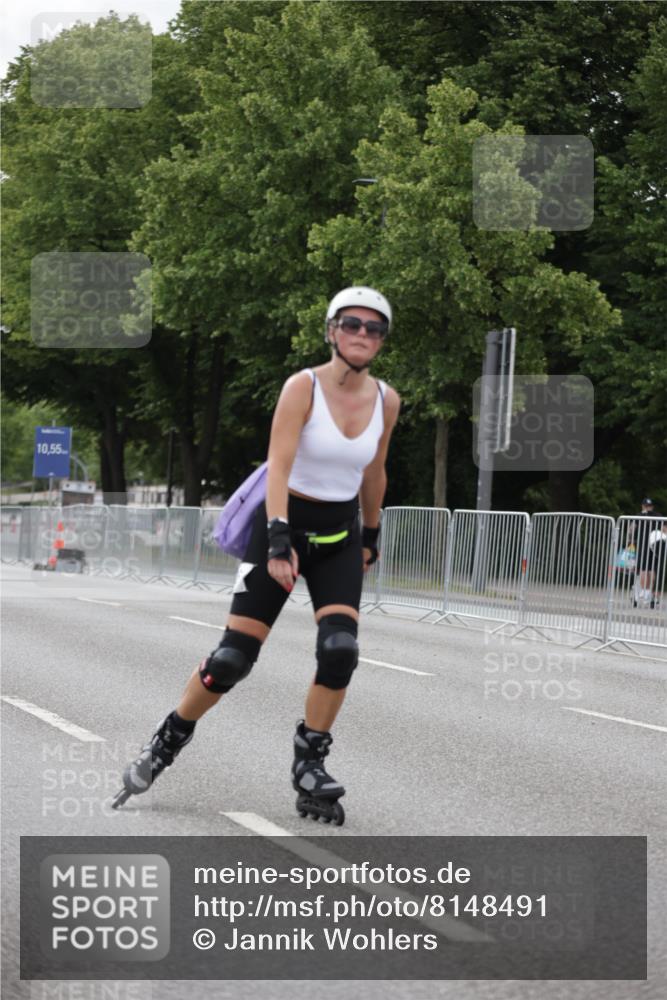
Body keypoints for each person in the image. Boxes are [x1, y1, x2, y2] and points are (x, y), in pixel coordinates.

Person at [114, 286, 401, 824]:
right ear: (332, 330)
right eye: (352, 324)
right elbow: (280, 465)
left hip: (337, 538)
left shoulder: (387, 399)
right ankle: (167, 741)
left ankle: (310, 763)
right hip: (283, 527)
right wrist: (276, 538)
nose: (363, 334)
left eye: (374, 328)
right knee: (231, 660)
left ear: (382, 340)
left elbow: (374, 471)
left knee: (340, 649)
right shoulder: (303, 387)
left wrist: (369, 534)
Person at [629, 497, 662, 608]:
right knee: (649, 570)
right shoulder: (657, 516)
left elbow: (631, 529)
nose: (648, 508)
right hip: (653, 546)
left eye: (648, 506)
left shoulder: (640, 515)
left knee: (645, 570)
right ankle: (646, 592)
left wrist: (630, 541)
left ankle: (645, 592)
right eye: (648, 506)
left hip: (648, 546)